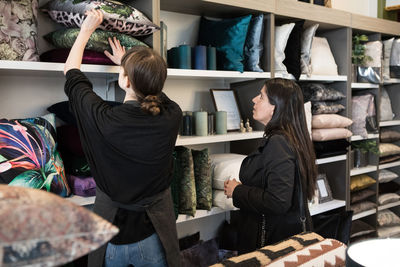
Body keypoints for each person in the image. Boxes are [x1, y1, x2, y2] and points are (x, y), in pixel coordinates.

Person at [63, 10, 182, 267]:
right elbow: (153, 90)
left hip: (114, 241)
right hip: (156, 236)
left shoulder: (104, 119)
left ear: (125, 80)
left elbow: (71, 73)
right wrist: (130, 67)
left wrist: (85, 30)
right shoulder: (172, 115)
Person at [224, 78, 317, 254]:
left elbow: (278, 201)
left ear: (275, 107)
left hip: (271, 243)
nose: (253, 100)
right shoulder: (291, 138)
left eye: (261, 96)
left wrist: (237, 190)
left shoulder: (278, 143)